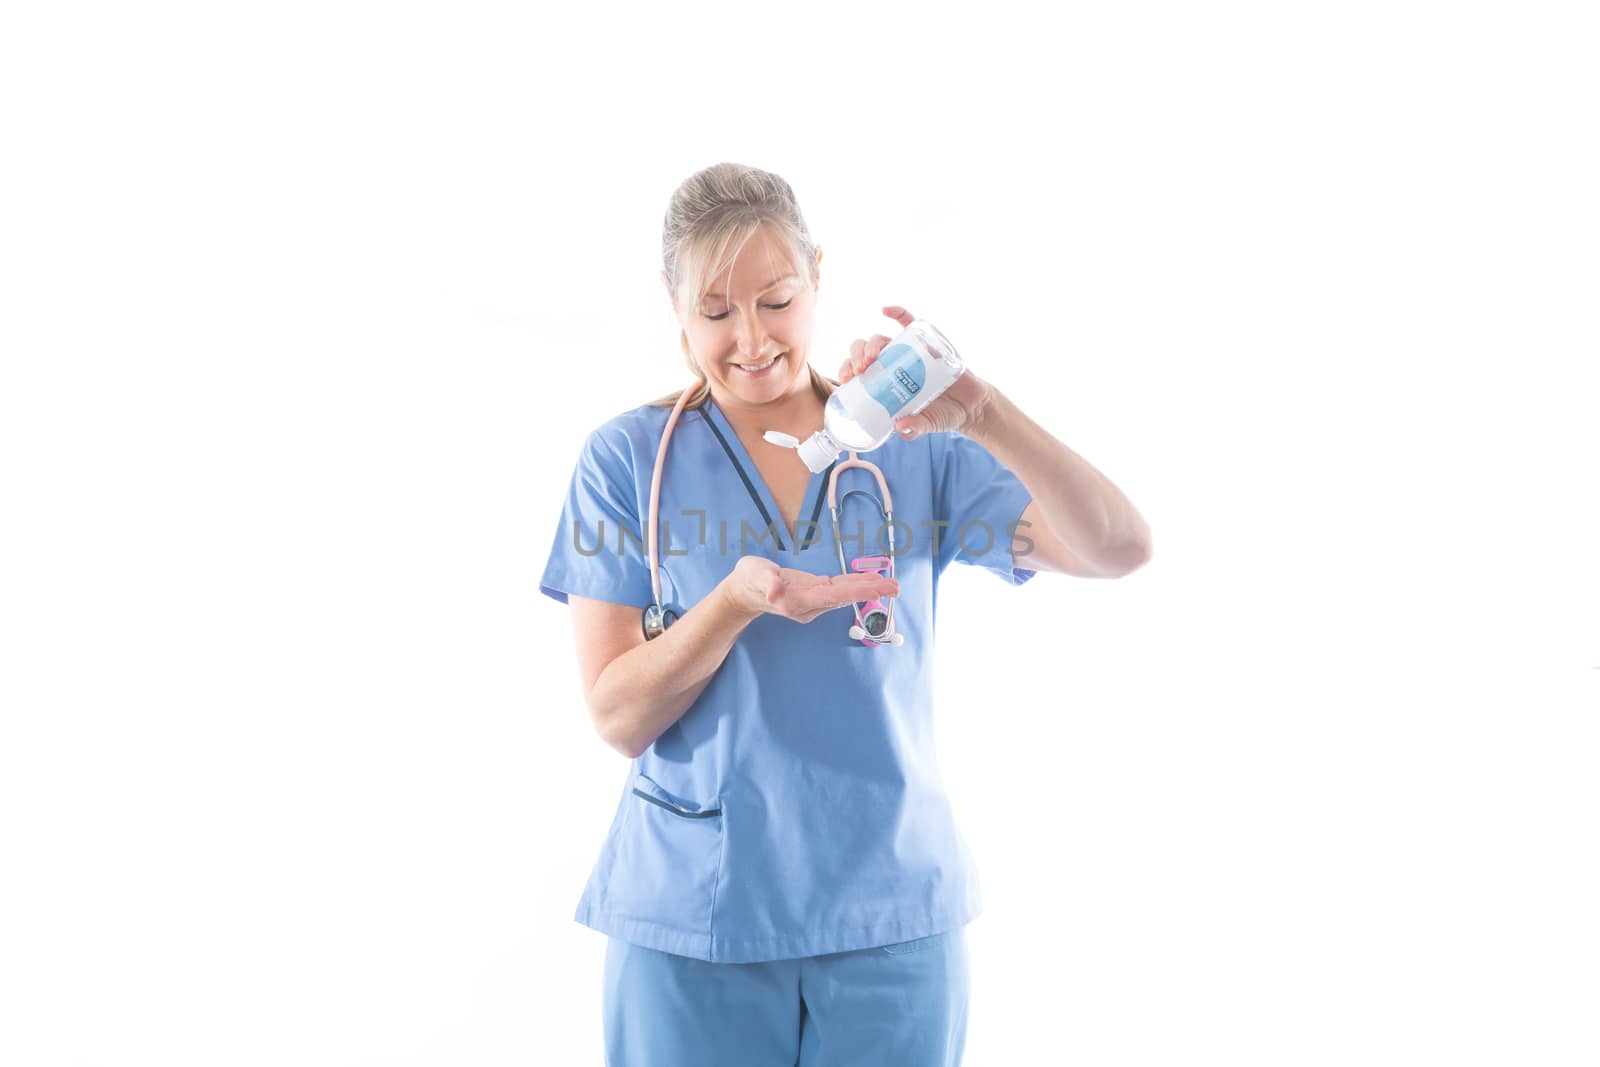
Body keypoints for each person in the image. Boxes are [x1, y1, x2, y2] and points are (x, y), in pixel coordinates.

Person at [539, 162, 1153, 1066]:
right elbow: (618, 713)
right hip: (693, 916)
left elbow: (1118, 547)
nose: (750, 338)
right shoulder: (627, 460)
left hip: (890, 913)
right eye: (714, 311)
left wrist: (984, 415)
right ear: (673, 306)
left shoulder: (918, 449)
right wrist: (737, 602)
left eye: (776, 299)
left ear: (818, 277)